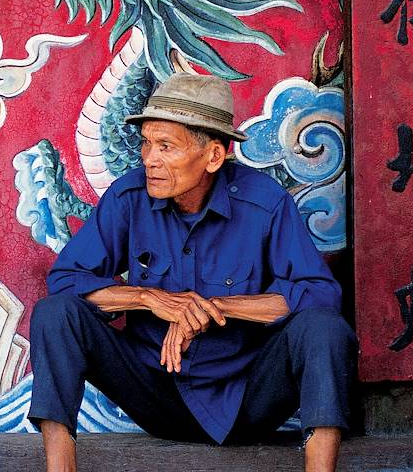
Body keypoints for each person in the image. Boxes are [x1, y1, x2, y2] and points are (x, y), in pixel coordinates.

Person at [27, 72, 356, 472]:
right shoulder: (129, 198)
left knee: (324, 328)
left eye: (166, 146)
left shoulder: (264, 203)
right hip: (155, 391)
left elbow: (320, 294)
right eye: (147, 143)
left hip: (248, 395)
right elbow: (66, 280)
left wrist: (215, 308)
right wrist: (149, 298)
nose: (150, 158)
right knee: (55, 313)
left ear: (213, 156)